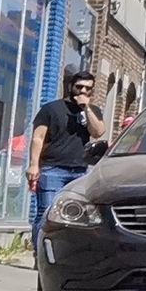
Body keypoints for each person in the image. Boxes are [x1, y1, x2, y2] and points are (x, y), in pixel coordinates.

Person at [28, 70, 105, 252]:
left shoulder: (92, 111)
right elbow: (38, 137)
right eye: (79, 87)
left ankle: (63, 253)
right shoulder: (51, 109)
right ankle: (40, 255)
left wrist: (86, 108)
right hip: (52, 169)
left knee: (74, 216)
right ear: (71, 86)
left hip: (79, 171)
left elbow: (98, 132)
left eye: (88, 88)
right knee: (46, 213)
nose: (83, 91)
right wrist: (33, 165)